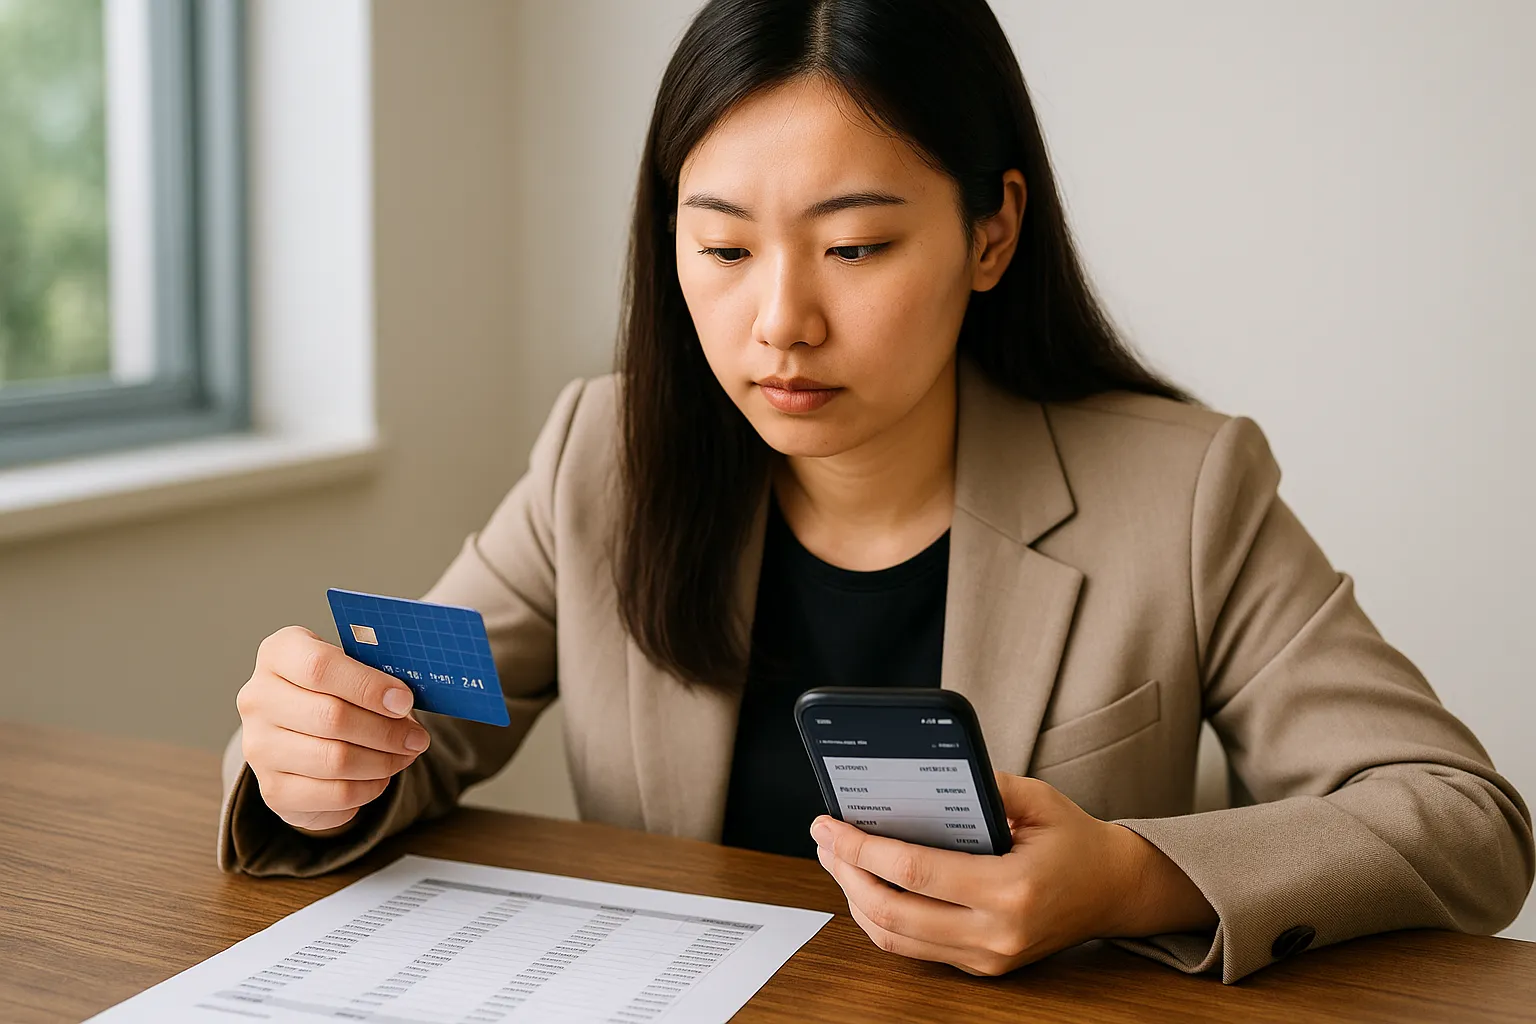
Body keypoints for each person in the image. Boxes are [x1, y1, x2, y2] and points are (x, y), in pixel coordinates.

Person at [218, 0, 1533, 985]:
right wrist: (312, 764)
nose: (779, 323)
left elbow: (1463, 819)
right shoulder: (603, 454)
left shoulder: (1182, 491)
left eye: (853, 246)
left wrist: (1131, 880)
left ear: (991, 231)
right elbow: (414, 730)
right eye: (723, 245)